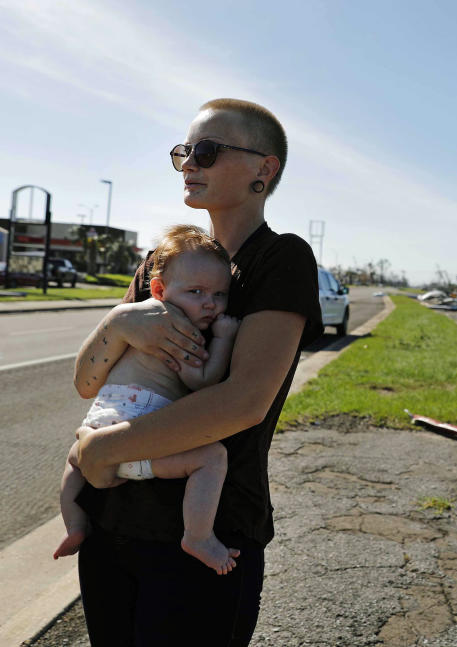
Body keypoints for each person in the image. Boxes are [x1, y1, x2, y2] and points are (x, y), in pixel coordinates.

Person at [71, 98, 322, 646]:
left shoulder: (279, 259)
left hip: (208, 536)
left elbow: (242, 402)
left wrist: (101, 452)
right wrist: (117, 321)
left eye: (206, 151)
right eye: (184, 151)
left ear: (264, 168)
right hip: (109, 521)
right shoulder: (163, 264)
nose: (190, 164)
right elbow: (91, 383)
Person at [55, 224, 241, 575]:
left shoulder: (142, 323)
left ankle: (74, 524)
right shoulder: (181, 331)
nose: (209, 304)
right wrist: (225, 339)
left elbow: (88, 381)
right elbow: (203, 381)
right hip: (139, 439)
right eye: (197, 291)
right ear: (158, 290)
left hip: (97, 424)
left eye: (219, 294)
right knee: (212, 457)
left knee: (73, 461)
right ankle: (198, 536)